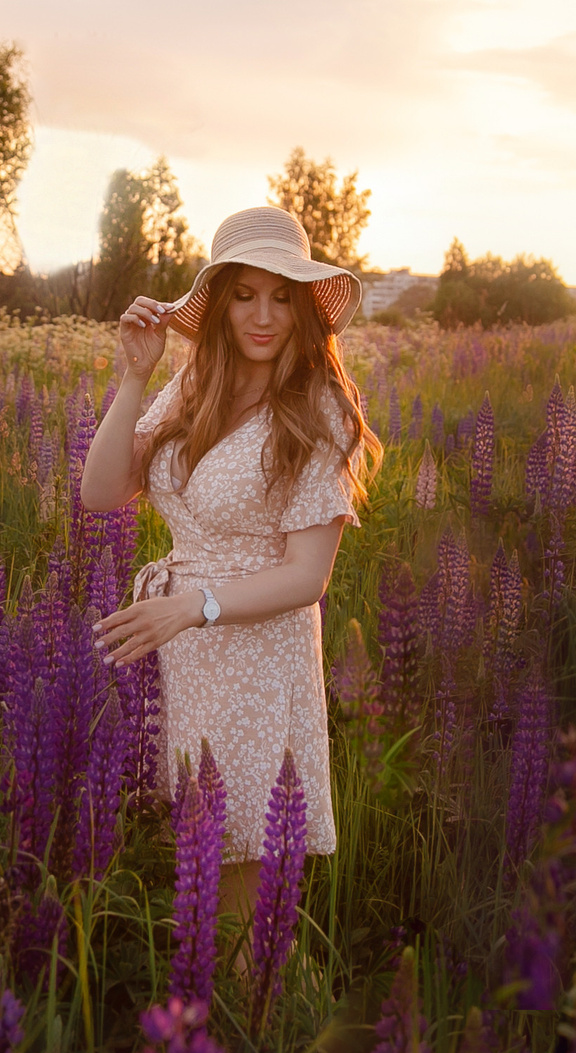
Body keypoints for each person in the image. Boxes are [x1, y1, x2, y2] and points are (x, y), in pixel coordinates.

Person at [80, 205, 383, 921]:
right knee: (184, 864)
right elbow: (100, 491)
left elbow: (308, 577)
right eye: (245, 294)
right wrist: (132, 378)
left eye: (282, 296)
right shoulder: (196, 386)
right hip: (178, 654)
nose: (264, 315)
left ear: (306, 308)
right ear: (218, 304)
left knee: (240, 892)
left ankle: (267, 1027)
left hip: (254, 658)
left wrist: (194, 605)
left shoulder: (319, 409)